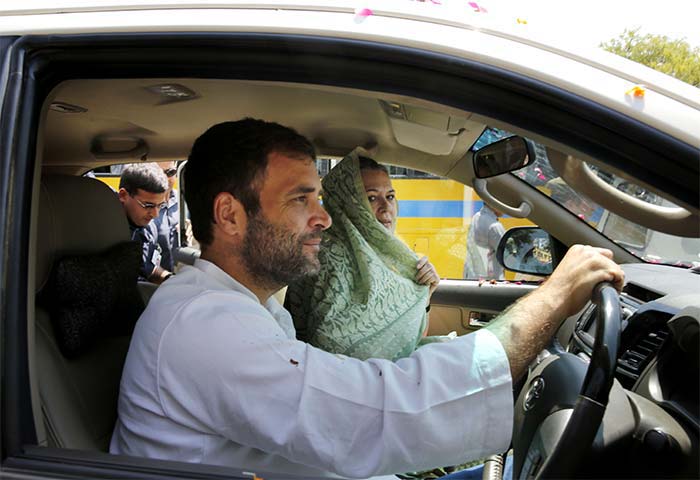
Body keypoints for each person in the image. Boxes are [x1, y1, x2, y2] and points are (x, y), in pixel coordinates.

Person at [111, 118, 624, 479]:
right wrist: (552, 297)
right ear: (229, 216)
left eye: (319, 196)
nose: (325, 216)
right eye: (300, 199)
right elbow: (370, 414)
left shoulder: (246, 306)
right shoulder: (205, 324)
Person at [287, 149, 440, 361]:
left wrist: (424, 295)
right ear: (349, 203)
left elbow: (410, 340)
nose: (386, 207)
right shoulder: (327, 254)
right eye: (371, 198)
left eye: (390, 196)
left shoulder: (392, 256)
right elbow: (329, 347)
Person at [117, 163, 173, 284]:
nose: (155, 214)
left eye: (160, 206)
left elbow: (148, 269)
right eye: (148, 205)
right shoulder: (101, 228)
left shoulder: (148, 228)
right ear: (123, 195)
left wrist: (172, 280)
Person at [463, 203, 505, 280]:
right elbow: (507, 256)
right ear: (492, 202)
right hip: (490, 283)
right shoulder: (495, 227)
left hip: (471, 278)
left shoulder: (476, 217)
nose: (506, 206)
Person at [153, 161, 180, 273]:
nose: (165, 178)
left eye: (170, 172)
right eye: (158, 173)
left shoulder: (183, 201)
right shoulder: (142, 206)